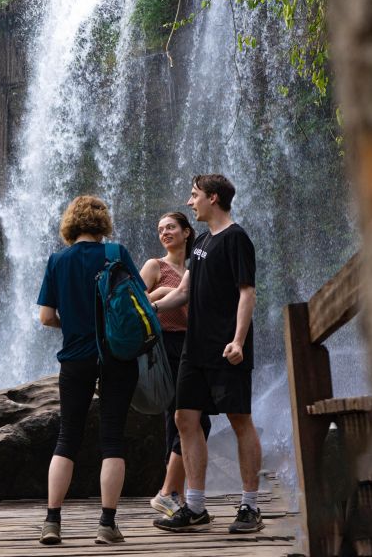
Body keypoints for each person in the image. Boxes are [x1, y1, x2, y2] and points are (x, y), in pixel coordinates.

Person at [151, 175, 265, 534]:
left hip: (226, 347)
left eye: (195, 195)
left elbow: (247, 293)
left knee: (239, 419)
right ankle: (195, 506)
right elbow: (182, 292)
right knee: (185, 419)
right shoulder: (200, 242)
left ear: (213, 198)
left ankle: (249, 506)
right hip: (193, 349)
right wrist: (147, 310)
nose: (190, 202)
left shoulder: (236, 239)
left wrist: (238, 341)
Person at [36, 195, 144, 546]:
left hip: (75, 357)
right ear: (102, 222)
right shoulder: (116, 254)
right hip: (115, 356)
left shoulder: (57, 260)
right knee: (112, 438)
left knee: (67, 436)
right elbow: (135, 303)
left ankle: (52, 522)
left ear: (71, 223)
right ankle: (106, 524)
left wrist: (76, 327)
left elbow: (46, 316)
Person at [139, 212, 212, 518]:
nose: (164, 232)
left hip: (193, 345)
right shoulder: (155, 265)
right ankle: (169, 491)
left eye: (170, 227)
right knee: (181, 419)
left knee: (197, 420)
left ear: (186, 232)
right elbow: (137, 301)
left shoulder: (196, 265)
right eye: (160, 229)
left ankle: (175, 493)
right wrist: (169, 293)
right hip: (166, 346)